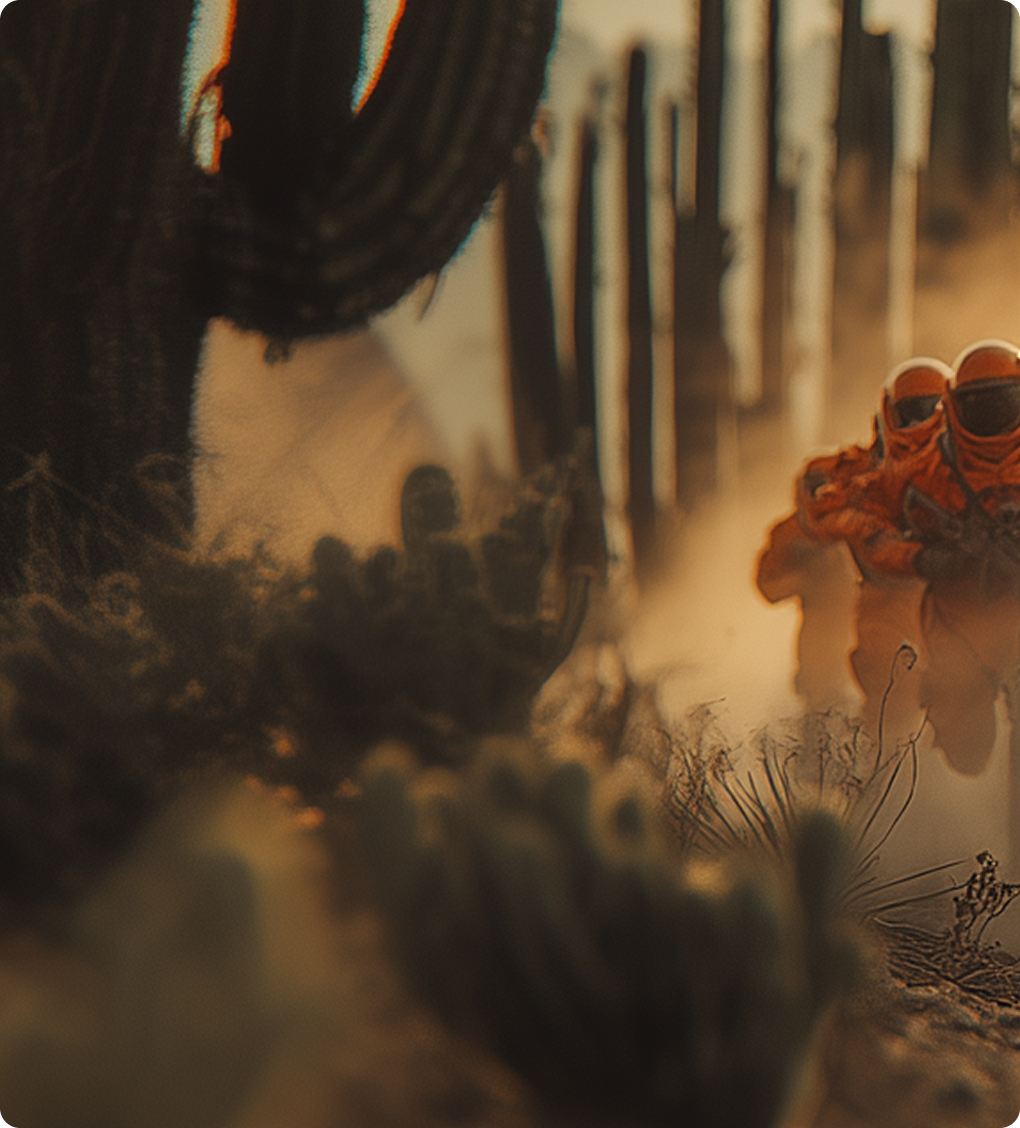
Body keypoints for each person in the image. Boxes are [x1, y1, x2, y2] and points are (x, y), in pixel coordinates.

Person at [905, 340, 1020, 774]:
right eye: (979, 404)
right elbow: (873, 518)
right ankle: (943, 821)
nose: (991, 413)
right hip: (962, 628)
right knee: (964, 751)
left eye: (1003, 401)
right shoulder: (930, 466)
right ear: (955, 406)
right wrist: (925, 557)